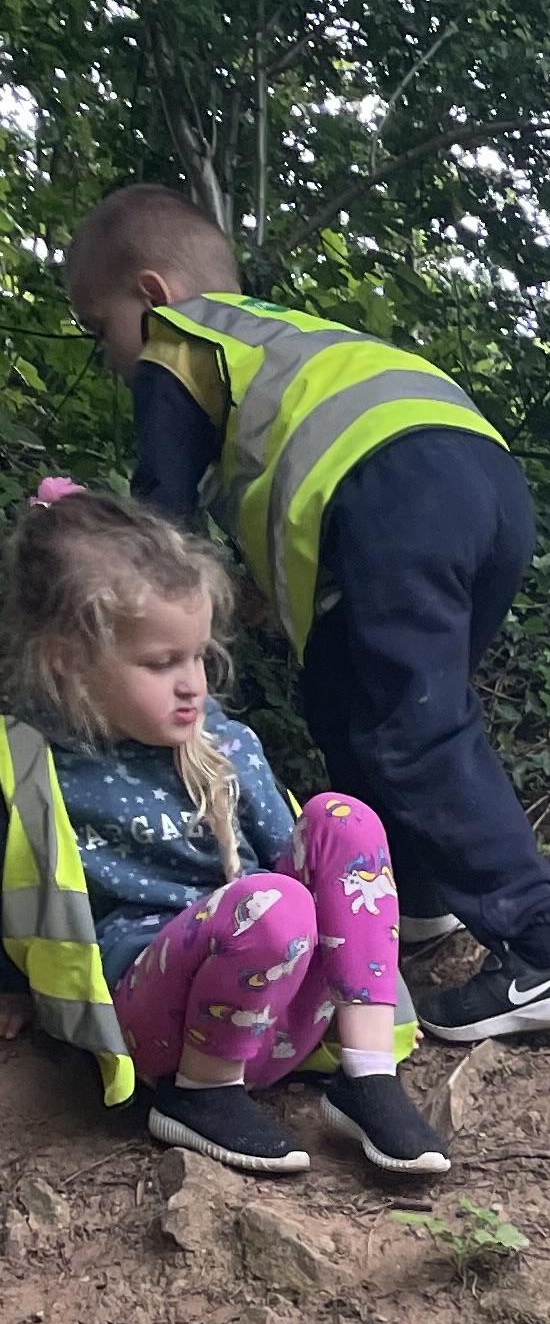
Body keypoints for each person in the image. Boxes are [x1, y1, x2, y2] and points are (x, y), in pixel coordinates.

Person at [63, 182, 550, 1044]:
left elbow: (161, 519)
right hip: (482, 479)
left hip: (392, 490)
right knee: (353, 701)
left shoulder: (180, 338)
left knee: (410, 724)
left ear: (153, 294)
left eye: (102, 331)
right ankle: (413, 897)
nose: (109, 360)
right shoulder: (284, 341)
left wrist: (112, 612)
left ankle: (543, 950)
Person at [0, 483, 450, 1177]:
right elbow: (15, 887)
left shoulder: (226, 745)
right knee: (269, 905)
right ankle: (199, 1097)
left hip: (277, 1012)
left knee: (344, 819)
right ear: (68, 661)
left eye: (198, 657)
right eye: (161, 663)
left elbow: (305, 873)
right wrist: (10, 985)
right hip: (156, 1028)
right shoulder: (35, 765)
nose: (193, 685)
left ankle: (367, 1075)